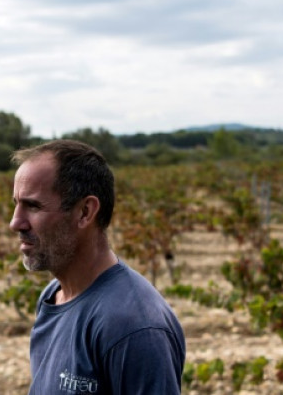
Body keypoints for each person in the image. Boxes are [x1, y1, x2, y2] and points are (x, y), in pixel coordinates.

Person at [10, 139, 185, 394]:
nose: (15, 222)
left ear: (85, 212)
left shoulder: (134, 327)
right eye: (15, 204)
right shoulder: (53, 295)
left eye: (33, 206)